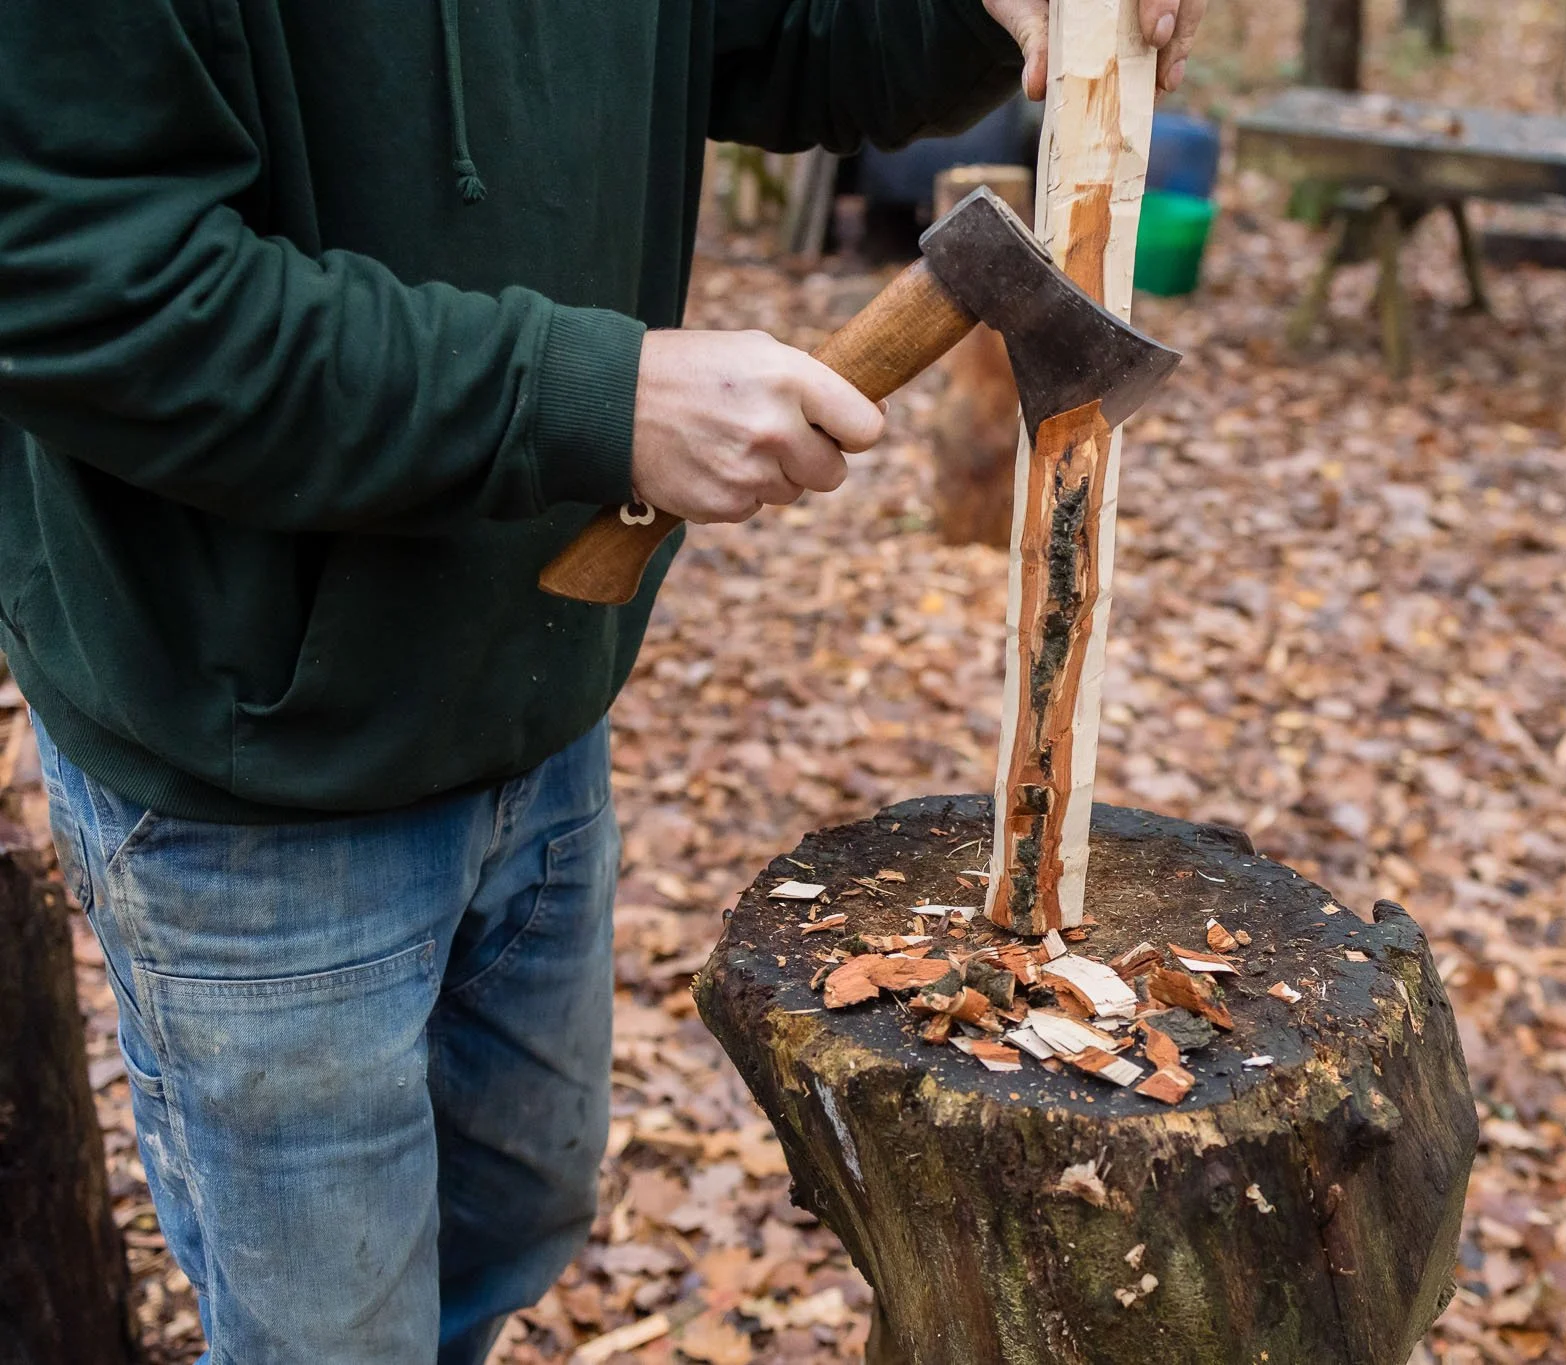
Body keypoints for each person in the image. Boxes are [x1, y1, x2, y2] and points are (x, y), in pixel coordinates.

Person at [0, 0, 1202, 1359]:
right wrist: (591, 399)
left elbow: (774, 37)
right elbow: (81, 291)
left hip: (537, 690)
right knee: (330, 1338)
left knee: (515, 1219)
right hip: (253, 761)